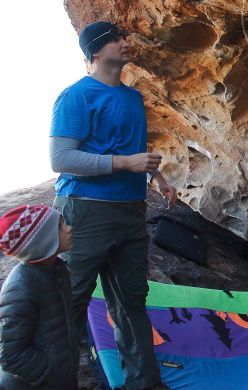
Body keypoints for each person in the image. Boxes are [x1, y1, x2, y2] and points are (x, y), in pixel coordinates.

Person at [49, 21, 177, 390]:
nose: (126, 42)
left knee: (131, 301)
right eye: (117, 39)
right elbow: (61, 158)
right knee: (70, 302)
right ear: (95, 52)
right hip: (85, 210)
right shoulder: (76, 96)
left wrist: (156, 179)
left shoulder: (133, 98)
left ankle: (144, 384)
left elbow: (133, 151)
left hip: (130, 211)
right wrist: (124, 164)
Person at [0, 204, 77, 389]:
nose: (69, 228)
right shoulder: (20, 290)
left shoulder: (56, 269)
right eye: (60, 226)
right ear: (43, 241)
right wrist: (50, 372)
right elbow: (10, 355)